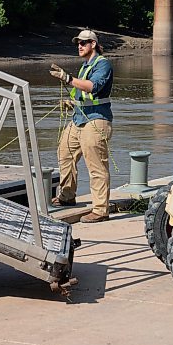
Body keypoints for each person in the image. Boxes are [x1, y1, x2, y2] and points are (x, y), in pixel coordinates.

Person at [50, 29, 113, 223]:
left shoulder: (103, 65)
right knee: (65, 154)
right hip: (79, 118)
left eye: (83, 43)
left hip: (96, 120)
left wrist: (67, 78)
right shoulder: (85, 65)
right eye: (78, 43)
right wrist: (71, 101)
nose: (79, 46)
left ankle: (101, 210)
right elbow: (80, 91)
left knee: (96, 166)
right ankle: (67, 196)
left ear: (93, 44)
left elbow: (93, 87)